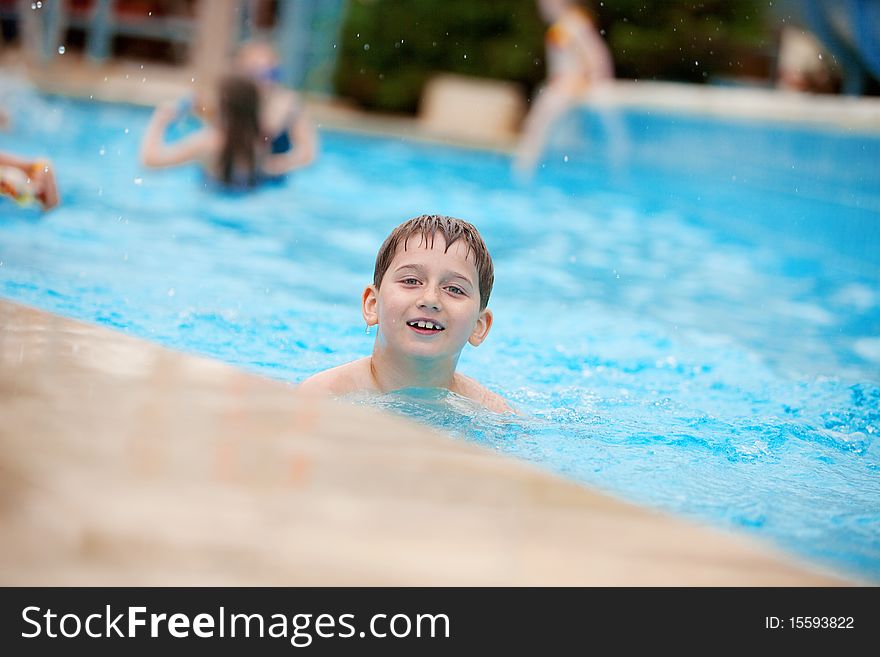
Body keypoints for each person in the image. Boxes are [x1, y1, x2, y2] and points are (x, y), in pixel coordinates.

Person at [299, 214, 513, 414]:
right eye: (411, 281)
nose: (430, 300)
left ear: (479, 326)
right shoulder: (323, 395)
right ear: (372, 305)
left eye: (454, 289)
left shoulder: (491, 412)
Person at [514, 0, 614, 174]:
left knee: (537, 128)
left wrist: (594, 84)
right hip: (562, 87)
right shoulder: (566, 24)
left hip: (568, 87)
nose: (541, 5)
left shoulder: (574, 23)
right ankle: (528, 170)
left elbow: (598, 57)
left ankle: (525, 172)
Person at [141, 74, 278, 189]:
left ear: (222, 106)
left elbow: (151, 161)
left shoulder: (208, 142)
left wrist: (158, 121)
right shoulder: (260, 140)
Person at [234, 39, 317, 176]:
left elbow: (308, 152)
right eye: (256, 75)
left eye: (270, 74)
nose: (264, 81)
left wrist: (283, 163)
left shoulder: (289, 104)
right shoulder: (235, 101)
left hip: (274, 179)